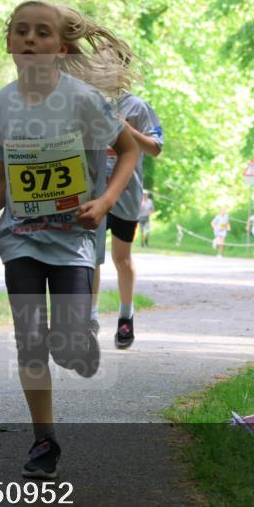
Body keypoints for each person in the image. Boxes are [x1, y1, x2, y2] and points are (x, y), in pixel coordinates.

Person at [0, 0, 138, 480]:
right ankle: (44, 440)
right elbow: (4, 178)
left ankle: (77, 333)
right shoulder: (1, 103)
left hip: (72, 242)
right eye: (20, 31)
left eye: (41, 33)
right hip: (20, 238)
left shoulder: (82, 98)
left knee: (66, 346)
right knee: (29, 342)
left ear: (61, 48)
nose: (28, 39)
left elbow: (126, 151)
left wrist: (104, 202)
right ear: (8, 42)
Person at [93, 86, 163, 350]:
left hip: (126, 194)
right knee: (92, 258)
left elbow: (156, 148)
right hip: (94, 192)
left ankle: (126, 316)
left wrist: (126, 130)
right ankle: (91, 320)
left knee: (121, 258)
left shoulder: (138, 106)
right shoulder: (89, 100)